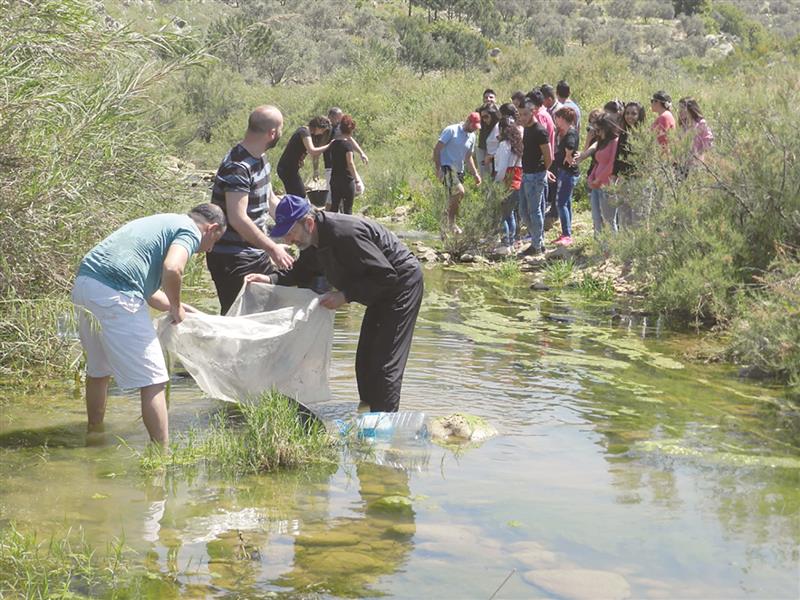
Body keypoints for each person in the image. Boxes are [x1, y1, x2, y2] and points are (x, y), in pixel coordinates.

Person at [249, 195, 424, 413]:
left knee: (384, 363)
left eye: (290, 232)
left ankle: (384, 430)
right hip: (379, 289)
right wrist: (270, 279)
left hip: (401, 285)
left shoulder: (344, 234)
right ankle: (367, 415)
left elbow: (386, 275)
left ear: (309, 223)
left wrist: (345, 295)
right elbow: (302, 271)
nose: (287, 240)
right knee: (365, 363)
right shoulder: (312, 240)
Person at [72, 204, 227, 445]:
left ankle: (94, 435)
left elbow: (147, 289)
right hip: (116, 292)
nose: (210, 248)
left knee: (99, 370)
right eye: (214, 241)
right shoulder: (189, 231)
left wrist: (179, 306)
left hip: (85, 284)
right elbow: (173, 268)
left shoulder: (165, 221)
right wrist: (176, 307)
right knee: (154, 379)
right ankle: (161, 454)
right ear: (212, 228)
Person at [206, 105, 294, 316]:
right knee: (240, 320)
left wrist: (294, 229)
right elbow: (238, 218)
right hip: (232, 257)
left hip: (255, 252)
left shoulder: (260, 158)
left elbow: (270, 200)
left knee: (268, 314)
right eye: (280, 129)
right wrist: (273, 248)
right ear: (272, 133)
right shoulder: (238, 166)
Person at [433, 112, 482, 234]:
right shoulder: (451, 130)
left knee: (454, 199)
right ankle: (452, 224)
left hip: (459, 171)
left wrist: (475, 174)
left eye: (476, 127)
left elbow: (468, 156)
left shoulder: (472, 136)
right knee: (460, 191)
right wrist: (438, 168)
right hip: (446, 167)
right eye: (473, 126)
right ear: (468, 121)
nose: (475, 129)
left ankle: (445, 224)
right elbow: (437, 149)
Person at [519, 101, 554, 255]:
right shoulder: (526, 129)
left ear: (532, 112)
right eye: (520, 114)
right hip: (526, 174)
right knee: (524, 211)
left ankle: (536, 246)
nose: (522, 117)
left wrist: (543, 171)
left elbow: (549, 156)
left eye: (525, 114)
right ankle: (538, 240)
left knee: (535, 211)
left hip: (536, 175)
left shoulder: (539, 130)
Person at [276, 116, 331, 197]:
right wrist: (330, 145)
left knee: (297, 194)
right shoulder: (304, 132)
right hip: (286, 168)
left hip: (290, 168)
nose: (322, 133)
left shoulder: (306, 133)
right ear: (317, 126)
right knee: (299, 195)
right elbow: (312, 151)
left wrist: (301, 159)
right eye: (322, 130)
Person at [587, 114, 620, 234]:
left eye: (598, 129)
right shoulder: (601, 142)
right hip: (596, 186)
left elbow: (612, 164)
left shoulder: (615, 142)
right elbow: (597, 162)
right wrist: (591, 178)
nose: (596, 132)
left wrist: (599, 179)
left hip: (607, 185)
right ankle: (599, 247)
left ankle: (612, 250)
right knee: (596, 218)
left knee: (609, 220)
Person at [493, 116, 523, 250]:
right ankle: (511, 241)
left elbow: (502, 168)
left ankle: (506, 242)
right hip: (518, 183)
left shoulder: (504, 145)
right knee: (510, 213)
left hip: (506, 183)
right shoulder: (518, 145)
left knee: (503, 215)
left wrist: (496, 183)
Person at [552, 107, 580, 246]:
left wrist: (568, 155)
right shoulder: (566, 132)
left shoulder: (571, 132)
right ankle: (566, 232)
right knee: (566, 202)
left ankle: (566, 234)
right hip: (564, 171)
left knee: (561, 202)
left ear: (562, 118)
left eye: (557, 118)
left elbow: (570, 145)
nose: (556, 121)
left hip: (568, 173)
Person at [329, 114, 363, 214]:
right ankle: (348, 228)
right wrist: (357, 180)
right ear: (351, 130)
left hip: (334, 179)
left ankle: (331, 228)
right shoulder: (347, 145)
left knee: (334, 207)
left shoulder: (334, 143)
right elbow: (350, 163)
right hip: (346, 181)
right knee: (348, 209)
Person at [678, 97, 713, 164]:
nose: (680, 111)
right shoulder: (683, 126)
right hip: (683, 162)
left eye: (682, 108)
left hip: (697, 163)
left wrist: (699, 156)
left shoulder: (701, 124)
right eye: (679, 108)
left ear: (690, 109)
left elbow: (708, 143)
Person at [477, 103, 500, 179]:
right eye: (482, 117)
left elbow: (506, 147)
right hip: (493, 164)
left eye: (486, 117)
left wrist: (491, 156)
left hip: (500, 164)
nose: (484, 120)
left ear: (493, 115)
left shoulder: (499, 127)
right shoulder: (488, 127)